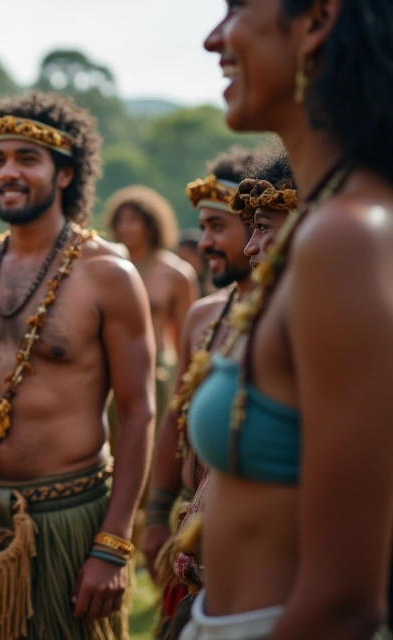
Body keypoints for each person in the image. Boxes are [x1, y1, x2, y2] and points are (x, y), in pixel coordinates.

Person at [187, 1, 393, 636]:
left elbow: (343, 601)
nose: (211, 39)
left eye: (238, 8)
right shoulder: (323, 231)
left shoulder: (347, 240)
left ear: (316, 21)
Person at [0, 92, 155, 640]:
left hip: (69, 519)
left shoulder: (107, 275)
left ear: (65, 173)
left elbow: (141, 411)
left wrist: (114, 543)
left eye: (27, 159)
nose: (8, 172)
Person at [139, 147, 255, 637]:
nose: (204, 242)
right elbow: (175, 417)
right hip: (189, 522)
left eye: (217, 227)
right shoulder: (203, 315)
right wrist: (156, 514)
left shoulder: (291, 317)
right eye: (201, 227)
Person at [102, 185, 199, 425]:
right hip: (109, 371)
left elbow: (187, 338)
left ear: (152, 225)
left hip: (156, 372)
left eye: (133, 220)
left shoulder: (177, 274)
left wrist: (187, 389)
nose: (125, 227)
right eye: (121, 221)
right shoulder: (105, 269)